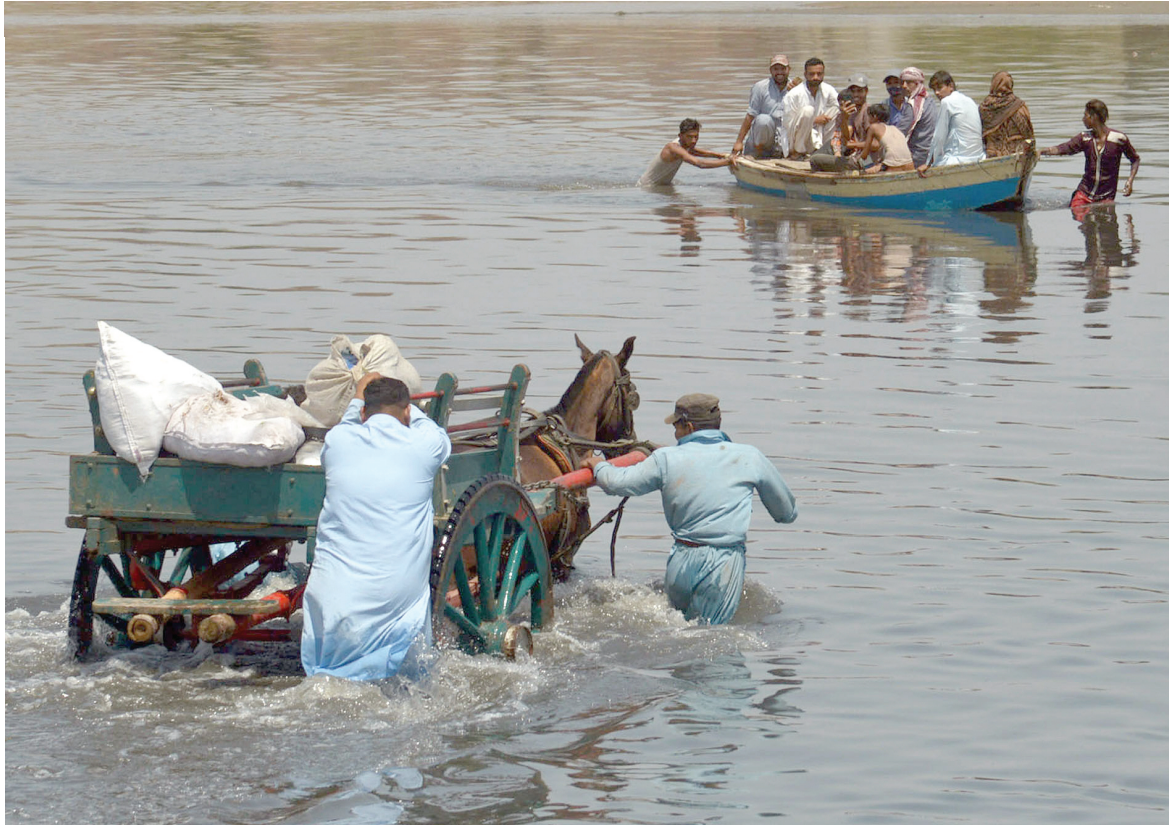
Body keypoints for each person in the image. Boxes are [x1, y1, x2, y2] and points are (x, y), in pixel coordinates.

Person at [582, 393, 797, 625]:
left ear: (689, 426)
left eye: (676, 426)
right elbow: (786, 513)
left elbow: (616, 483)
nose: (674, 434)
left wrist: (599, 466)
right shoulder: (750, 457)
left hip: (680, 561)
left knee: (677, 631)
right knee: (712, 642)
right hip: (722, 564)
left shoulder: (665, 458)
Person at [300, 373, 452, 681]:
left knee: (327, 680)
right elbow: (429, 428)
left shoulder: (339, 442)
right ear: (407, 412)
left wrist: (359, 394)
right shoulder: (427, 445)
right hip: (394, 595)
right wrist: (410, 407)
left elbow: (347, 422)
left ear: (364, 413)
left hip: (333, 597)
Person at [1039, 99, 1139, 216]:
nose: (1083, 119)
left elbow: (1135, 159)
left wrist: (1130, 181)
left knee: (1108, 230)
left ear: (1094, 117)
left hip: (1106, 198)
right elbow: (1064, 148)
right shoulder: (1084, 138)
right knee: (1080, 219)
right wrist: (1041, 152)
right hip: (1084, 194)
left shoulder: (1118, 139)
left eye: (1085, 115)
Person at [731, 54, 801, 158]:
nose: (779, 72)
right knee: (763, 119)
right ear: (770, 70)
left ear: (789, 69)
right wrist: (739, 142)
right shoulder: (760, 87)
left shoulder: (797, 88)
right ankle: (759, 155)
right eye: (776, 69)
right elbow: (750, 116)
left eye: (783, 69)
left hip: (785, 140)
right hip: (764, 140)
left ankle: (793, 153)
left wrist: (796, 92)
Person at [918, 70, 985, 172]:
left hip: (959, 159)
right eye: (934, 90)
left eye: (940, 88)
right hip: (979, 156)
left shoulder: (947, 102)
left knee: (935, 162)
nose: (936, 93)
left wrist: (928, 164)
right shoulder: (970, 100)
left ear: (951, 86)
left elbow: (938, 137)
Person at [638, 118, 731, 186]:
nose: (694, 140)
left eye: (696, 137)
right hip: (648, 189)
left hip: (662, 187)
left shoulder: (684, 146)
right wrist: (728, 162)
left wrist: (720, 155)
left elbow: (695, 151)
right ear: (680, 136)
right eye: (689, 137)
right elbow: (700, 164)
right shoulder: (673, 148)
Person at [780, 57, 839, 159]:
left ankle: (827, 149)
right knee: (808, 111)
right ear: (805, 75)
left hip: (819, 134)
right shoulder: (794, 94)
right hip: (797, 141)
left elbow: (839, 106)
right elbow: (788, 125)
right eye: (811, 74)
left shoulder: (828, 90)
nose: (815, 77)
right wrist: (814, 120)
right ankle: (798, 153)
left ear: (823, 74)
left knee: (837, 110)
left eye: (819, 74)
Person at [979, 71, 1035, 157]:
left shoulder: (985, 107)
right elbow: (1028, 134)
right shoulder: (1019, 106)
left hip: (992, 153)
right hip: (1016, 152)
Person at [899, 67, 939, 167]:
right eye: (902, 82)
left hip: (917, 156)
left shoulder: (912, 105)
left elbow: (899, 134)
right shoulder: (930, 100)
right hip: (930, 153)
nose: (904, 86)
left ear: (917, 84)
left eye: (908, 82)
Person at [859, 102, 915, 173]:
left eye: (869, 116)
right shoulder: (894, 128)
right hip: (910, 164)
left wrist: (856, 160)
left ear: (875, 116)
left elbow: (864, 155)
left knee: (864, 172)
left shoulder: (873, 127)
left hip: (894, 165)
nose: (868, 119)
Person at [882, 70, 914, 136]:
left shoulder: (911, 104)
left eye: (896, 82)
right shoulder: (884, 105)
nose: (893, 86)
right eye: (889, 83)